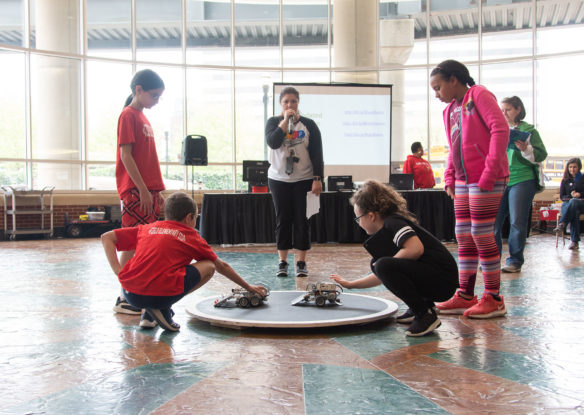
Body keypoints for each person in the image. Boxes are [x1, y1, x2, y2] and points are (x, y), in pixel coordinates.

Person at [102, 192, 267, 332]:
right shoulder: (191, 235)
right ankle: (162, 306)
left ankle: (150, 313)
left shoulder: (147, 228)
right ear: (190, 217)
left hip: (131, 295)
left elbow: (106, 237)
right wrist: (249, 287)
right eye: (196, 217)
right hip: (158, 296)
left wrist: (118, 270)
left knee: (158, 271)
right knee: (208, 265)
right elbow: (221, 266)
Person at [429, 59, 510, 318]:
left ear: (454, 80)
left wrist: (490, 171)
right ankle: (465, 294)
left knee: (481, 233)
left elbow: (500, 129)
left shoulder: (479, 95)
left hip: (486, 177)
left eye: (438, 87)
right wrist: (449, 176)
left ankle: (494, 298)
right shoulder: (450, 110)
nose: (436, 94)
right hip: (464, 181)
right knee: (463, 234)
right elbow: (454, 145)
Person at [330, 180, 458, 337]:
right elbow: (382, 274)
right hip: (437, 278)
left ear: (371, 216)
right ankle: (422, 305)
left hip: (443, 281)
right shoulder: (390, 226)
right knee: (379, 263)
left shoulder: (393, 222)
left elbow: (415, 249)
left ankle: (425, 315)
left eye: (358, 218)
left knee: (382, 264)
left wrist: (386, 265)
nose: (358, 223)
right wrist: (351, 285)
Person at [113, 69, 166, 315]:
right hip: (135, 191)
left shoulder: (143, 118)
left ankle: (134, 293)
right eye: (154, 95)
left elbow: (147, 160)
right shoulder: (128, 115)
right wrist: (143, 190)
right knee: (133, 243)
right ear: (139, 91)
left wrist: (156, 191)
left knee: (144, 244)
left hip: (148, 191)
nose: (156, 100)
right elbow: (126, 156)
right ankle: (124, 297)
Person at [265, 86, 324, 278]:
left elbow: (317, 153)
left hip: (303, 179)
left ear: (298, 103)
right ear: (281, 104)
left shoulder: (309, 124)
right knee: (283, 219)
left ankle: (301, 262)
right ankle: (282, 262)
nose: (290, 104)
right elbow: (273, 143)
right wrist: (284, 123)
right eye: (286, 102)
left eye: (293, 101)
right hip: (278, 179)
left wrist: (317, 178)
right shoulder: (273, 123)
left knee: (302, 220)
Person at [494, 96, 548, 272]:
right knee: (492, 221)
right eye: (502, 110)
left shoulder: (529, 130)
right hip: (501, 178)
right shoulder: (498, 129)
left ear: (518, 110)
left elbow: (541, 154)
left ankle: (514, 261)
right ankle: (492, 259)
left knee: (517, 221)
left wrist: (526, 149)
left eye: (508, 109)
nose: (504, 113)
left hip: (523, 179)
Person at [554, 158, 584, 250]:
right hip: (568, 204)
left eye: (574, 167)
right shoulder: (565, 180)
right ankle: (574, 242)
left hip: (581, 203)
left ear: (579, 167)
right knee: (572, 208)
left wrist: (579, 194)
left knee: (574, 202)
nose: (572, 169)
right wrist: (571, 197)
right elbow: (562, 197)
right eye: (570, 167)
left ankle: (562, 224)